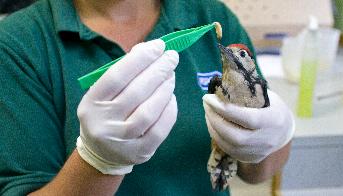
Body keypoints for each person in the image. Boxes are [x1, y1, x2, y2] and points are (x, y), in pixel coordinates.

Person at [0, 0, 294, 195]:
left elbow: (258, 173)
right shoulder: (18, 44)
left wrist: (274, 135)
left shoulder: (210, 16)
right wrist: (97, 161)